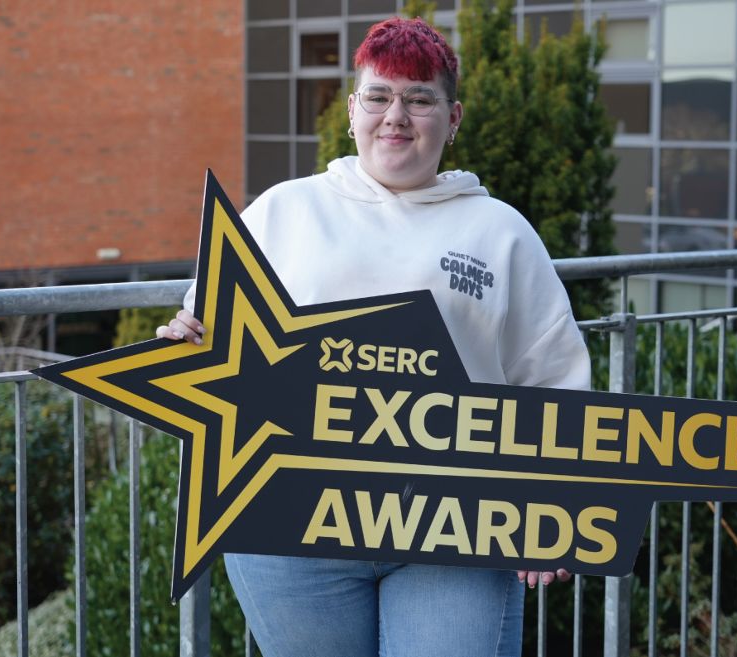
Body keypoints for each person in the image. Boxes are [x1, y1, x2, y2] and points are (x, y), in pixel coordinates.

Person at [158, 16, 590, 656]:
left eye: (420, 99)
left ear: (454, 117)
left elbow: (553, 377)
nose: (397, 116)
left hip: (453, 527)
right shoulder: (283, 211)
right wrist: (184, 344)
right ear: (353, 108)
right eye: (380, 96)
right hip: (289, 523)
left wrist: (554, 505)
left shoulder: (500, 232)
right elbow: (214, 340)